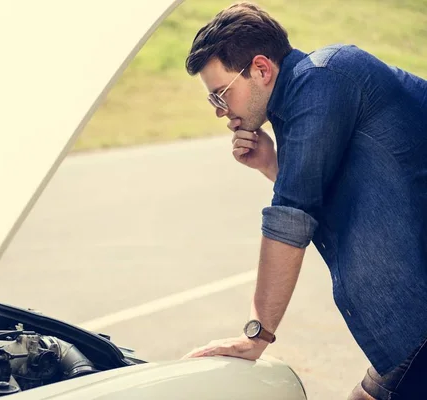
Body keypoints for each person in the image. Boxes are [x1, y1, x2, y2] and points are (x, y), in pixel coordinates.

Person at [179, 2, 427, 399]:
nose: (219, 112)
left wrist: (256, 336)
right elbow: (337, 201)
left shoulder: (322, 79)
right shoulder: (302, 102)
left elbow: (292, 216)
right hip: (409, 335)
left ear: (261, 69)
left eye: (221, 95)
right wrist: (272, 165)